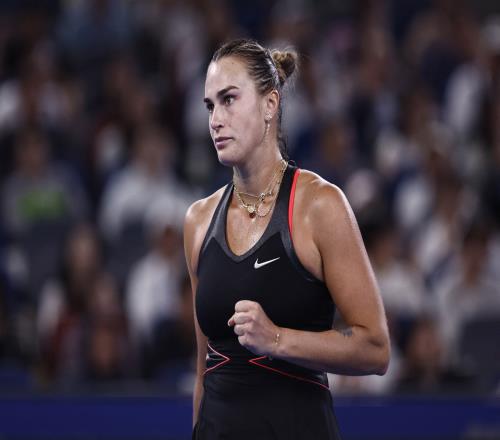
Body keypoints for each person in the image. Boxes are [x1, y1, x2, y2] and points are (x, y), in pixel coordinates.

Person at [183, 39, 390, 440]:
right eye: (210, 106)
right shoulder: (198, 221)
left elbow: (375, 348)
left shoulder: (320, 205)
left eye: (229, 99)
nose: (215, 120)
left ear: (270, 104)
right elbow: (203, 372)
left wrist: (277, 339)